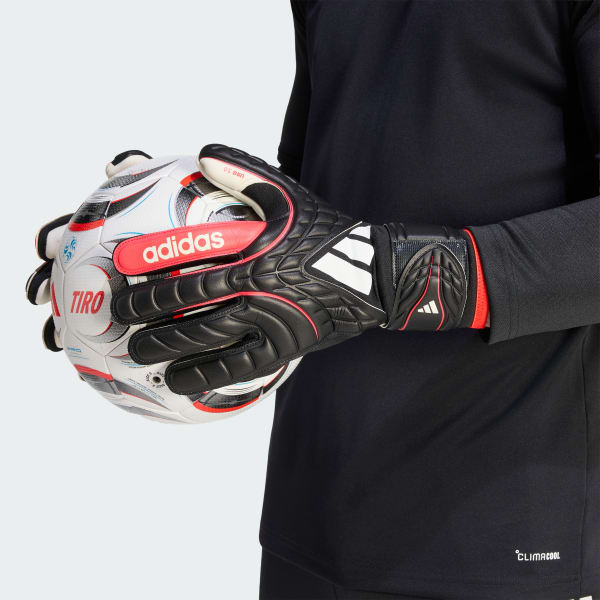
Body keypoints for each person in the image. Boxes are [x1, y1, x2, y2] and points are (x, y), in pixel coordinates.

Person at [28, 1, 599, 599]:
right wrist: (160, 246)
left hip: (499, 518)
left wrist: (387, 273)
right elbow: (315, 188)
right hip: (313, 508)